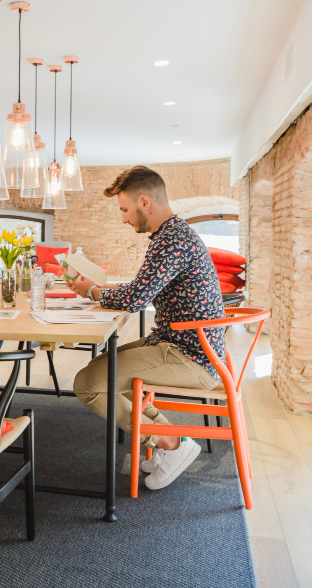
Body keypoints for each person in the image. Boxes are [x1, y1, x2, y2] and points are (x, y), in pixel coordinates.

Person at [67, 166, 226, 491]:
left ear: (144, 202)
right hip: (181, 347)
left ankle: (170, 445)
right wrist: (101, 290)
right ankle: (172, 441)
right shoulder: (172, 235)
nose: (124, 219)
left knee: (87, 384)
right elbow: (143, 287)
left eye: (125, 210)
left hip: (191, 359)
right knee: (101, 368)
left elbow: (137, 298)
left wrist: (93, 292)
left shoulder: (172, 240)